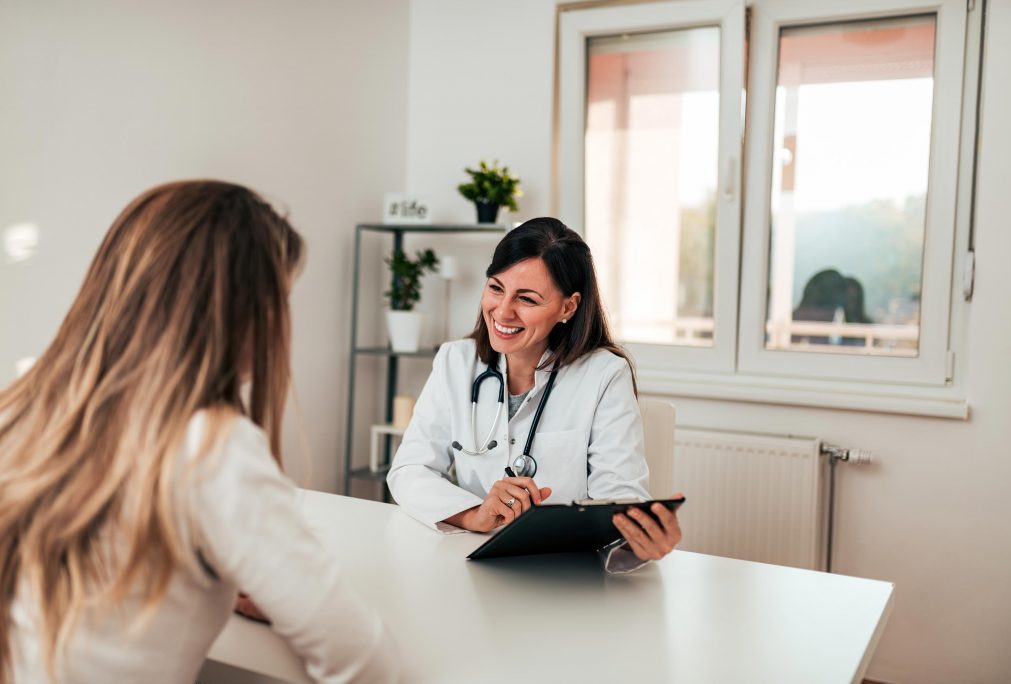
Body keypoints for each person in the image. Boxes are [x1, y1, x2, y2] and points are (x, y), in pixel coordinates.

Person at [0, 181, 397, 683]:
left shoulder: (21, 411)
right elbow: (367, 664)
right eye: (280, 297)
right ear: (239, 310)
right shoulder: (213, 447)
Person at [387, 217, 683, 572]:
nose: (503, 311)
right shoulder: (456, 361)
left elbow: (619, 500)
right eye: (496, 288)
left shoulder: (604, 376)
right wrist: (474, 515)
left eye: (526, 298)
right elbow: (409, 469)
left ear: (568, 307)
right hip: (471, 565)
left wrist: (640, 541)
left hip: (562, 574)